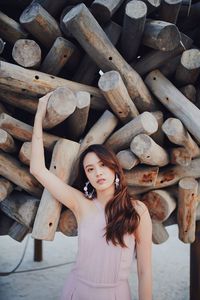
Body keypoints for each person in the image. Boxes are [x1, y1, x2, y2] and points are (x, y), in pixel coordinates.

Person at [30, 92, 152, 300]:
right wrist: (39, 114)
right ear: (86, 177)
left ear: (114, 168)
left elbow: (144, 271)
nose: (98, 173)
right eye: (90, 169)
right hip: (78, 291)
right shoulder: (80, 203)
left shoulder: (137, 210)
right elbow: (38, 170)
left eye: (103, 165)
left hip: (116, 294)